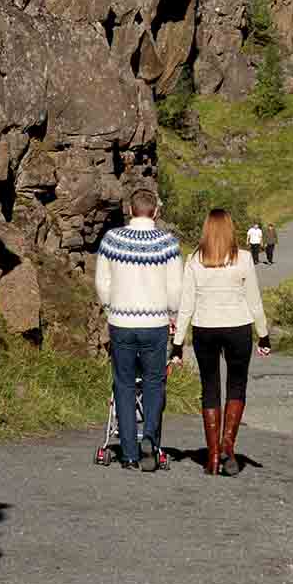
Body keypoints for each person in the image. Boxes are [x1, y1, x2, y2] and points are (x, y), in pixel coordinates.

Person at [171, 209, 270, 475]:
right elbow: (254, 301)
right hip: (238, 326)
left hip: (205, 328)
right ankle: (228, 444)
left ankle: (213, 457)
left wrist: (178, 343)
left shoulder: (193, 260)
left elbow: (186, 305)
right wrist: (264, 333)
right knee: (237, 385)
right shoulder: (244, 259)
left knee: (210, 387)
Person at [95, 186, 182, 472]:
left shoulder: (112, 239)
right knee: (155, 382)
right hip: (155, 324)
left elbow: (102, 282)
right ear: (156, 211)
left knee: (123, 383)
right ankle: (151, 440)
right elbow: (175, 287)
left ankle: (129, 453)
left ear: (130, 210)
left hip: (121, 323)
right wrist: (171, 315)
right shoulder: (167, 242)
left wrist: (111, 308)